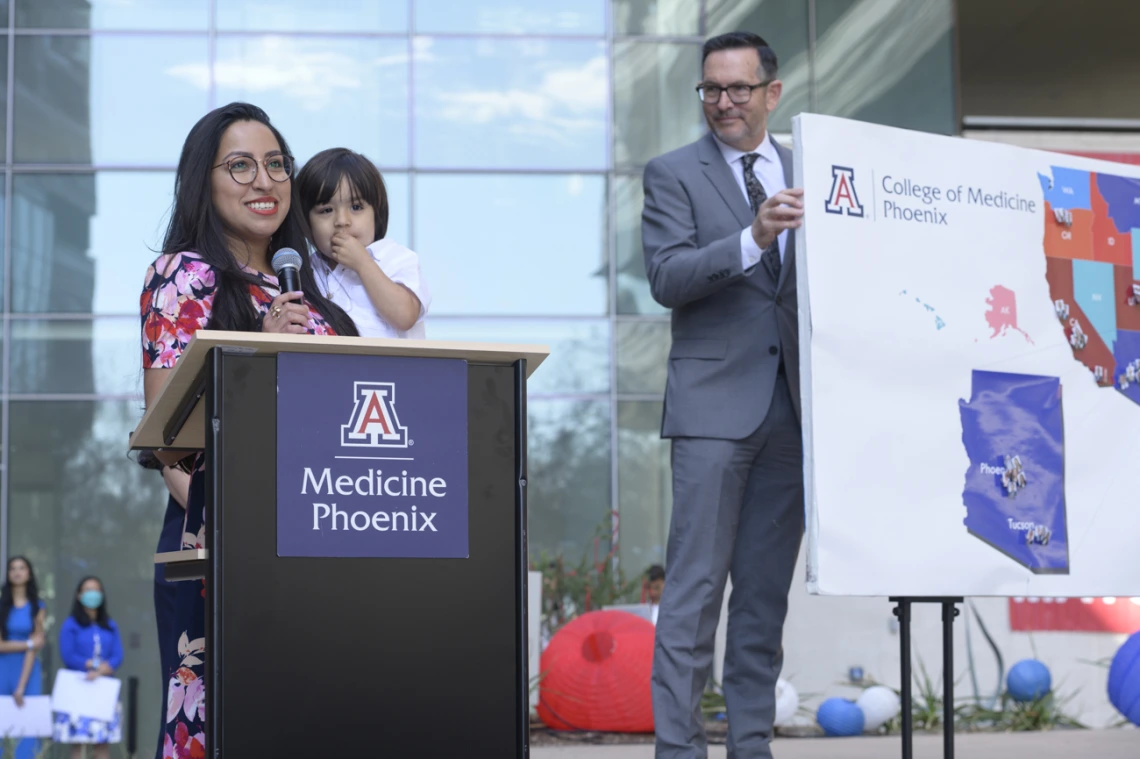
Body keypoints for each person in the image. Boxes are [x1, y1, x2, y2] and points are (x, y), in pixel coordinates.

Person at [140, 101, 358, 759]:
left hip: (319, 546)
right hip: (221, 549)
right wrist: (252, 350)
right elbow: (168, 436)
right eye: (240, 166)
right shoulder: (185, 275)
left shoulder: (311, 295)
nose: (264, 181)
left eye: (275, 165)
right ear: (202, 181)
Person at [640, 31, 805, 759]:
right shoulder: (672, 173)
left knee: (764, 598)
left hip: (795, 410)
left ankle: (751, 745)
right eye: (711, 89)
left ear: (772, 92)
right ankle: (679, 751)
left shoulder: (816, 168)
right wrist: (753, 237)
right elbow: (668, 277)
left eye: (739, 88)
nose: (723, 103)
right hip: (713, 408)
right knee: (694, 596)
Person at [297, 148, 431, 338]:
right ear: (306, 221)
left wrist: (363, 263)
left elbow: (405, 316)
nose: (342, 221)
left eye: (356, 207)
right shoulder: (304, 271)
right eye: (326, 210)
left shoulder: (396, 259)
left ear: (377, 213)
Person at [54, 577, 124, 759]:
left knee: (102, 744)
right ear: (79, 595)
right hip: (79, 688)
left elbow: (117, 655)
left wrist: (101, 670)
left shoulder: (110, 624)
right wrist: (93, 665)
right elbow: (68, 655)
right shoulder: (71, 624)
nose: (92, 593)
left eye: (96, 589)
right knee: (79, 743)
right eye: (87, 589)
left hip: (104, 689)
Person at [0, 557, 46, 759]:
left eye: (22, 568)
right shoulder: (2, 606)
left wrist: (21, 686)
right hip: (3, 669)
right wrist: (27, 643)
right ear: (8, 574)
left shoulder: (38, 606)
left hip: (28, 672)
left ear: (29, 573)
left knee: (27, 730)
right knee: (3, 728)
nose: (17, 572)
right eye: (12, 568)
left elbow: (35, 647)